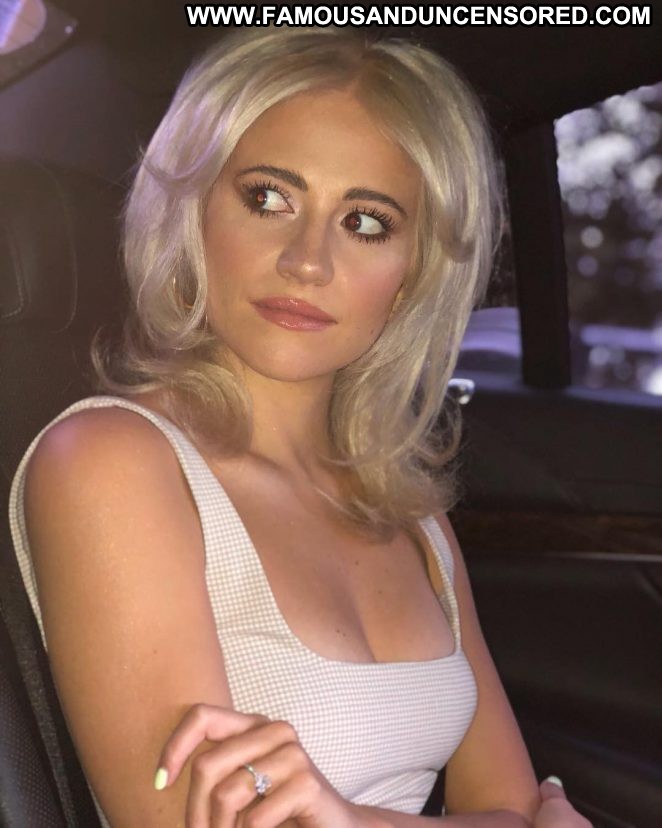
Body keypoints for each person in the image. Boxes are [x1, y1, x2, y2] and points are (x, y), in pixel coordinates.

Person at [9, 26, 592, 828]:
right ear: (193, 210)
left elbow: (514, 804)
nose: (307, 260)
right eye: (268, 199)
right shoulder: (110, 462)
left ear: (412, 272)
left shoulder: (410, 511)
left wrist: (346, 820)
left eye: (366, 222)